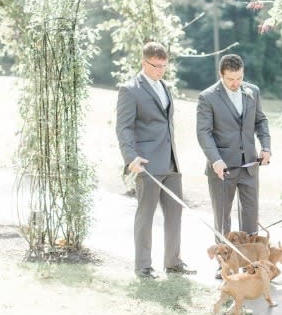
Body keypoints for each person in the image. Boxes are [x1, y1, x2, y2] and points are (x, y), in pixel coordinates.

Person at [115, 41, 195, 279]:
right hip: (146, 163)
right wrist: (131, 158)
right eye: (155, 65)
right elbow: (124, 128)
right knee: (146, 214)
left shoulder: (164, 87)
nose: (160, 70)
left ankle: (173, 262)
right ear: (144, 62)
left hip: (171, 162)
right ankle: (143, 266)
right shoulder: (130, 89)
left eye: (163, 66)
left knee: (175, 213)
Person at [196, 54, 271, 278]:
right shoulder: (207, 97)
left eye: (239, 78)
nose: (236, 83)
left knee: (250, 215)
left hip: (249, 165)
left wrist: (265, 147)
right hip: (222, 168)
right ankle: (225, 264)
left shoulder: (252, 91)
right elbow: (204, 133)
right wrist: (215, 160)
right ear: (222, 75)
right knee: (223, 218)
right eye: (230, 79)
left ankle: (250, 263)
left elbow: (261, 121)